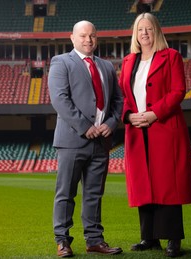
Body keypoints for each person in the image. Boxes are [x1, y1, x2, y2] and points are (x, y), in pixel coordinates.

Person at [118, 13, 191, 257]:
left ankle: (173, 239)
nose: (144, 33)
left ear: (157, 32)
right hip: (137, 130)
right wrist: (129, 116)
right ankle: (148, 237)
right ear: (135, 34)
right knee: (144, 183)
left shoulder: (171, 57)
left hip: (164, 127)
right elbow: (121, 97)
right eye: (140, 29)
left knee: (168, 184)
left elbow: (178, 91)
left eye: (149, 29)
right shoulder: (129, 61)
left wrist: (153, 114)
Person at [48, 20, 123, 257]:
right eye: (83, 36)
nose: (88, 40)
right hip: (72, 140)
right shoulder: (61, 62)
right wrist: (85, 127)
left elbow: (118, 102)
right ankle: (63, 241)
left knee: (94, 194)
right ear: (72, 38)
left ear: (96, 38)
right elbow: (60, 100)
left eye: (92, 36)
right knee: (66, 193)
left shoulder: (107, 67)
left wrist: (111, 124)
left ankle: (94, 240)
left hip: (101, 141)